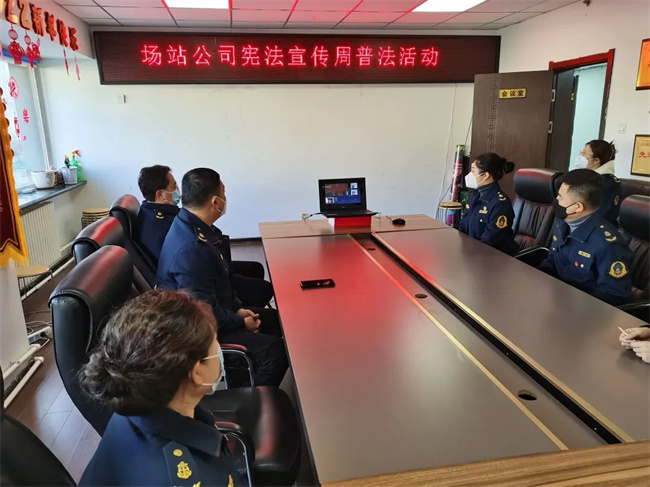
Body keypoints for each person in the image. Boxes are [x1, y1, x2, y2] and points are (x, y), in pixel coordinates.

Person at [79, 291, 246, 486]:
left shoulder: (133, 399)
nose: (219, 349)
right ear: (197, 372)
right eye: (215, 342)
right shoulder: (186, 479)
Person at [157, 168, 288, 387]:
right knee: (276, 351)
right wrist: (239, 321)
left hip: (214, 312)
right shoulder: (193, 249)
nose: (226, 198)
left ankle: (245, 374)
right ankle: (250, 399)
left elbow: (220, 285)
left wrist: (238, 309)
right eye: (224, 193)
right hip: (197, 331)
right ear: (216, 202)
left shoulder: (191, 225)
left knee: (273, 320)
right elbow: (203, 313)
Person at [136, 165, 273, 308]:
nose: (177, 190)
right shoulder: (177, 237)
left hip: (205, 273)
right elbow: (202, 305)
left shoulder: (176, 216)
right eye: (174, 185)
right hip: (195, 293)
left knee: (255, 269)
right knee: (263, 291)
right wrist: (238, 316)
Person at [539, 169, 632, 305]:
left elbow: (613, 296)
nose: (556, 200)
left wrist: (571, 303)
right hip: (557, 299)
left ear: (577, 207)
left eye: (560, 197)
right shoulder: (562, 223)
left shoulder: (607, 245)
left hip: (584, 309)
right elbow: (552, 262)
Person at [459, 153, 518, 255]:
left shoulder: (500, 204)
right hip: (472, 253)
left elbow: (489, 241)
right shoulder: (475, 195)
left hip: (492, 258)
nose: (469, 175)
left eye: (473, 171)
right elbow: (463, 226)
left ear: (485, 175)